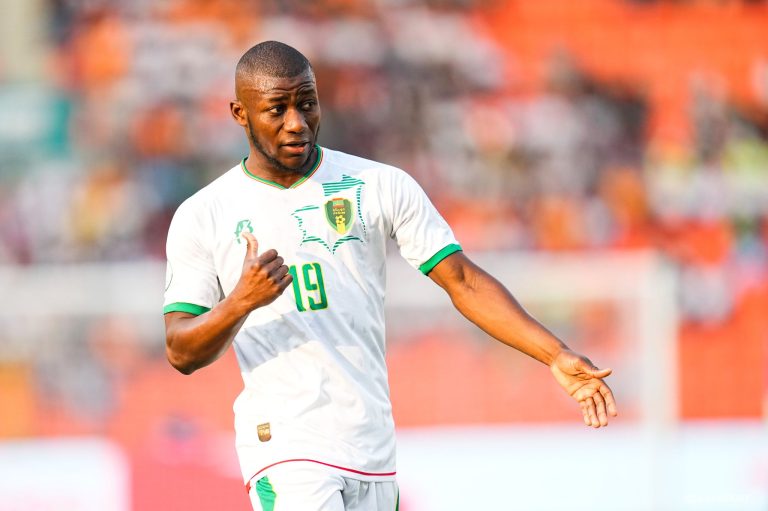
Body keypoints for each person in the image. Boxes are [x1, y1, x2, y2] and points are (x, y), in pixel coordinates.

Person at [163, 40, 617, 511]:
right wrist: (240, 301)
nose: (296, 122)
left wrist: (554, 353)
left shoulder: (378, 185)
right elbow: (180, 349)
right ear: (240, 113)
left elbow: (462, 280)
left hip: (372, 449)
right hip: (286, 448)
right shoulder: (205, 214)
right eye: (277, 109)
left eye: (307, 103)